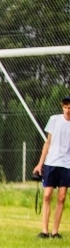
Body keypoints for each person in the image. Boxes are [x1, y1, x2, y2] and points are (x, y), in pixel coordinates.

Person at [32, 95, 70, 239]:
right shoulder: (54, 119)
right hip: (51, 163)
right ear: (62, 107)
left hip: (66, 164)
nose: (67, 110)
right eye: (65, 107)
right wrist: (40, 163)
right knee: (47, 195)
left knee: (61, 198)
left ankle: (55, 231)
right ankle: (44, 231)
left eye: (69, 108)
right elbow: (47, 143)